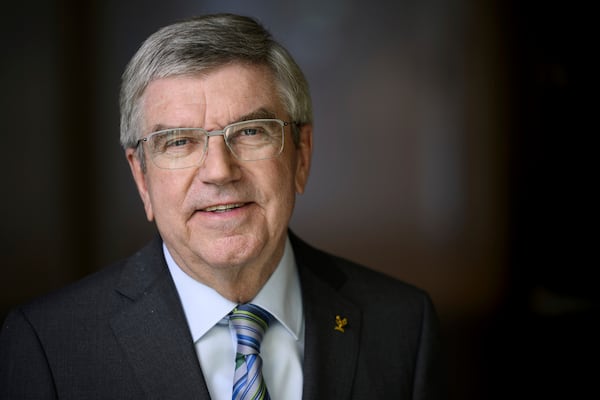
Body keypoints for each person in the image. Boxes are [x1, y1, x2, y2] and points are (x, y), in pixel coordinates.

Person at [0, 13, 444, 399]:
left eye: (251, 132)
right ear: (142, 177)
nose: (219, 171)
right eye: (179, 141)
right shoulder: (50, 346)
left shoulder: (403, 325)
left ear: (301, 155)